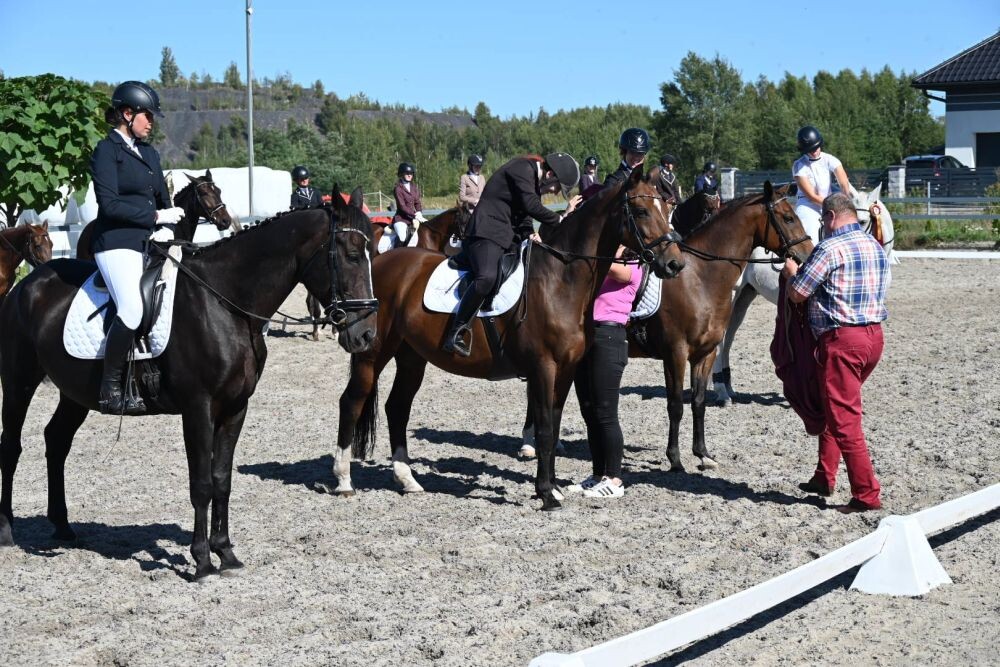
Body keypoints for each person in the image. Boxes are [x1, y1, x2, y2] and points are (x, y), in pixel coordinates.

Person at [781, 192, 890, 514]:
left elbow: (799, 293)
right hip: (873, 337)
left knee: (845, 421)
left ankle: (866, 494)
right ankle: (823, 476)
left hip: (842, 340)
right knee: (834, 406)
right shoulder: (874, 244)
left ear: (829, 217)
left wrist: (790, 274)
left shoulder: (829, 248)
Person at [90, 81, 185, 415]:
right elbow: (110, 205)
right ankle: (110, 389)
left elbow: (163, 198)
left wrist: (167, 226)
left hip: (152, 242)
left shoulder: (150, 153)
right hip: (117, 243)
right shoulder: (106, 151)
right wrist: (155, 216)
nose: (151, 121)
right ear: (127, 114)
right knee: (131, 308)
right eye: (147, 115)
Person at [442, 153, 583, 356]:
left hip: (506, 237)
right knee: (487, 278)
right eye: (557, 186)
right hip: (486, 232)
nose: (555, 191)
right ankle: (456, 331)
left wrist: (530, 234)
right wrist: (560, 220)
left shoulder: (533, 182)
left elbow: (524, 217)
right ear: (550, 173)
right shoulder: (522, 169)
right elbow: (530, 206)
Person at [567, 245, 643, 498]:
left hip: (610, 336)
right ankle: (598, 474)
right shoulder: (604, 262)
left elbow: (608, 267)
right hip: (586, 335)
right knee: (589, 410)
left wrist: (609, 248)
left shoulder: (632, 266)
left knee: (606, 412)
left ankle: (615, 479)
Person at [792, 125, 852, 236]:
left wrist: (846, 200)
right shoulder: (798, 165)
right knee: (811, 230)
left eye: (815, 148)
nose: (814, 152)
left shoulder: (830, 159)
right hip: (807, 205)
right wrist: (832, 205)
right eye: (810, 150)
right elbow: (811, 196)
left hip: (831, 203)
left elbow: (843, 183)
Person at [392, 162, 427, 247]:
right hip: (401, 219)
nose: (409, 175)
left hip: (412, 218)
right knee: (402, 237)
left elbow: (417, 202)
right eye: (407, 173)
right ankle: (395, 254)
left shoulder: (414, 187)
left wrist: (419, 212)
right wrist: (415, 215)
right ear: (401, 174)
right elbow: (402, 206)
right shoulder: (398, 189)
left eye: (411, 173)